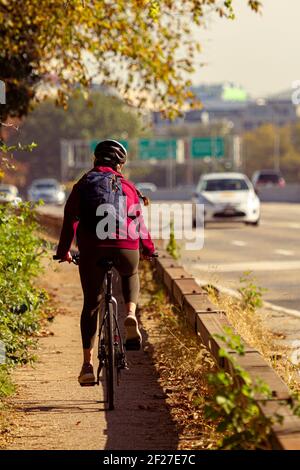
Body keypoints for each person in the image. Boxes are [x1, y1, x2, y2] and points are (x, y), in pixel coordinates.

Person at [55, 139, 155, 385]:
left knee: (91, 304)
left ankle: (87, 365)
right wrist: (148, 250)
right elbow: (139, 224)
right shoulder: (129, 187)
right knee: (131, 273)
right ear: (120, 165)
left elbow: (70, 220)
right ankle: (130, 314)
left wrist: (63, 251)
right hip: (125, 246)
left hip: (93, 247)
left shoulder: (83, 184)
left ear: (95, 160)